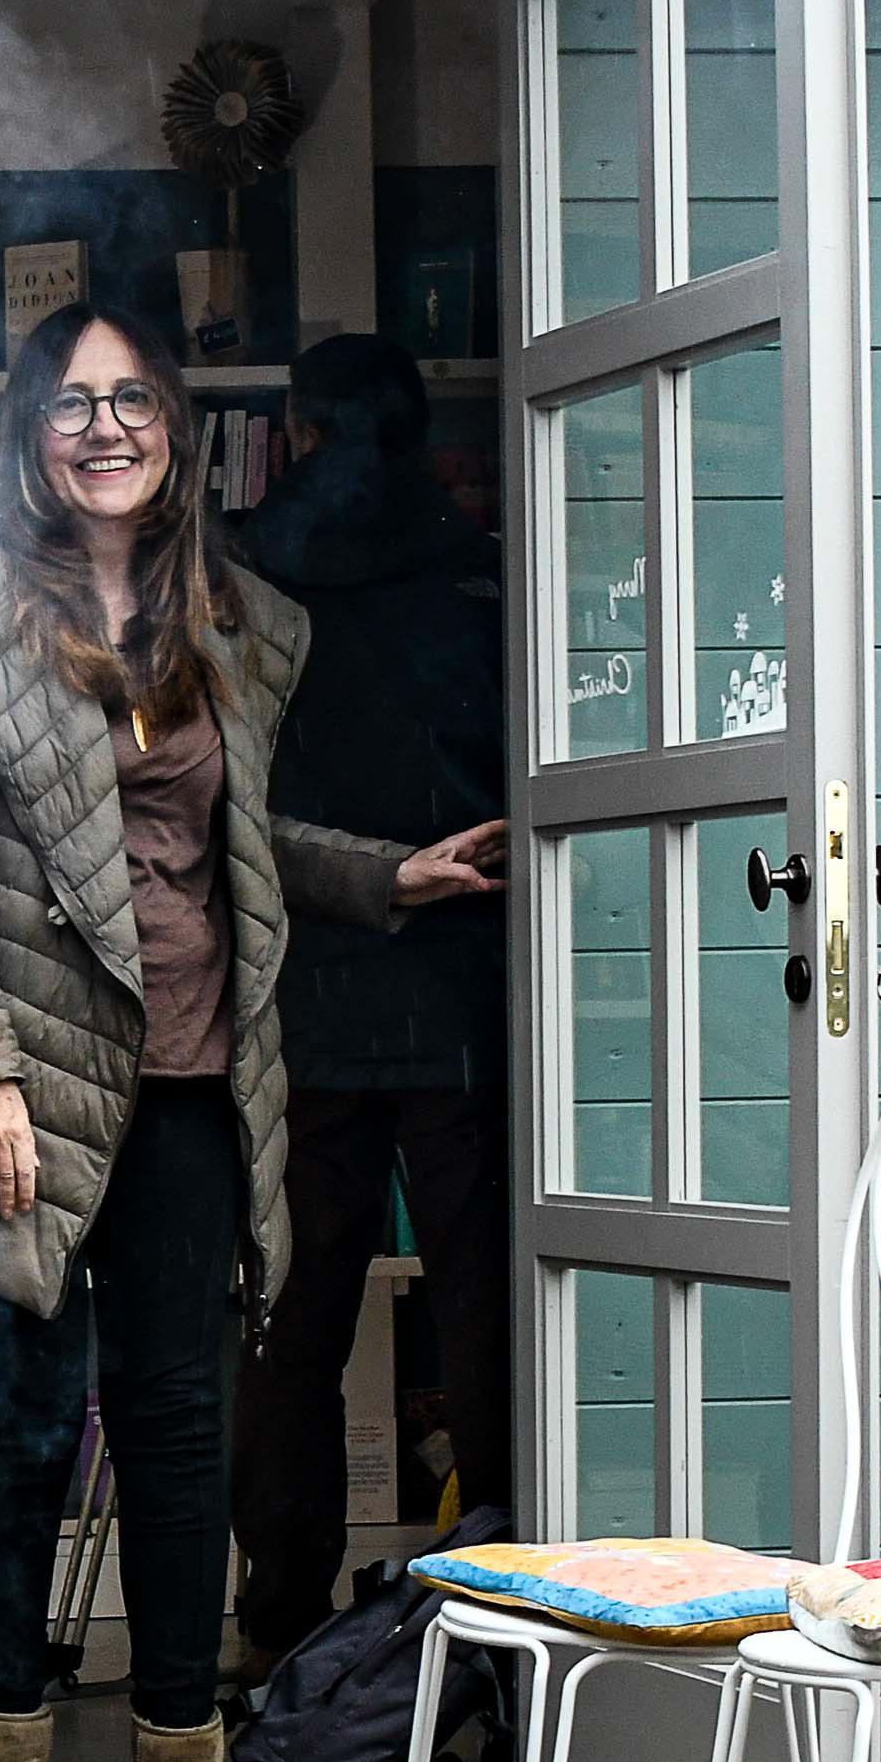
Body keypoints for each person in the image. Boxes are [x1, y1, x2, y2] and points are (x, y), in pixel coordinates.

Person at [0, 303, 505, 1762]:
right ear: (30, 434)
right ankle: (3, 1745)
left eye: (135, 398)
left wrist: (381, 878)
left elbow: (239, 841)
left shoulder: (241, 623)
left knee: (179, 1426)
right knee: (20, 1425)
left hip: (194, 1075)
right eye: (74, 403)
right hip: (16, 1081)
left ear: (183, 431)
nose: (107, 427)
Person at [225, 330, 512, 1667]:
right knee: (483, 1310)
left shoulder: (243, 574)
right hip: (460, 985)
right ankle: (515, 1612)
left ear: (296, 431)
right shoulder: (476, 570)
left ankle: (279, 1619)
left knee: (295, 1321)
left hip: (299, 989)